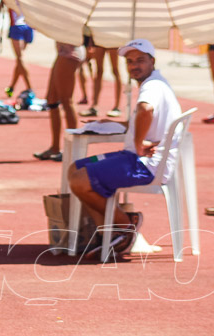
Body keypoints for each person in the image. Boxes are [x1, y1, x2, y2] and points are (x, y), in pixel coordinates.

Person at [67, 38, 182, 258]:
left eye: (140, 60)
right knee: (77, 167)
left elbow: (146, 109)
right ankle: (110, 236)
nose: (134, 65)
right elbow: (146, 116)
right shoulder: (156, 83)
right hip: (131, 158)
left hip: (143, 164)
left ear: (152, 61)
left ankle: (126, 225)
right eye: (129, 62)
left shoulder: (153, 86)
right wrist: (122, 126)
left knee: (80, 180)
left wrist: (138, 145)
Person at [33, 41, 85, 161]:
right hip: (63, 51)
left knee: (67, 101)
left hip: (70, 52)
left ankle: (73, 149)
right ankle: (55, 147)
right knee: (52, 100)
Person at [0, 1, 33, 98]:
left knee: (21, 58)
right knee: (20, 59)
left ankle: (30, 89)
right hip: (29, 26)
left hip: (17, 27)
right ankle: (12, 87)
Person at [81, 42, 123, 119]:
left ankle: (117, 107)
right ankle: (94, 105)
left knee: (115, 70)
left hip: (112, 39)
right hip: (99, 39)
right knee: (98, 71)